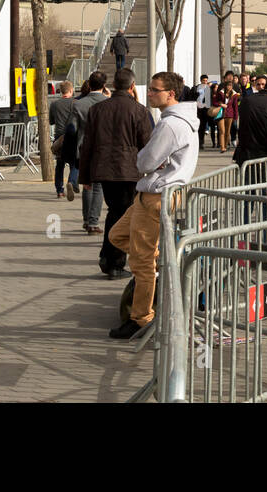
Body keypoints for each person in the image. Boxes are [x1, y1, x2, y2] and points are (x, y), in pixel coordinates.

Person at [108, 70, 199, 339]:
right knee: (117, 235)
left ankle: (140, 318)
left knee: (141, 262)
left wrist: (145, 159)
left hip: (157, 195)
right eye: (149, 89)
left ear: (171, 93)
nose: (149, 94)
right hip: (152, 193)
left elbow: (145, 162)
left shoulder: (171, 125)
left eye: (155, 90)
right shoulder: (176, 120)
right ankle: (165, 263)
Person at [77, 68, 154, 278]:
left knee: (115, 212)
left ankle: (109, 258)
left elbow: (87, 145)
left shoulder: (98, 110)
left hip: (104, 169)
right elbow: (147, 144)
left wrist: (84, 177)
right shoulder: (139, 110)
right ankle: (113, 262)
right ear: (132, 86)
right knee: (123, 215)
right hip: (129, 171)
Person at [73, 71, 110, 234]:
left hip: (83, 147)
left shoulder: (78, 104)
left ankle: (86, 220)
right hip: (102, 148)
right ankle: (94, 222)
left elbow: (72, 129)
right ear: (104, 85)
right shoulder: (108, 103)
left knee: (87, 184)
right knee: (98, 186)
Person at [48, 80, 79, 199]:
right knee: (74, 163)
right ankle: (72, 182)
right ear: (71, 90)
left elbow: (51, 121)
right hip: (72, 136)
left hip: (59, 137)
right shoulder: (76, 103)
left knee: (59, 165)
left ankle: (59, 190)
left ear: (61, 92)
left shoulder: (54, 104)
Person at [222, 75, 240, 153]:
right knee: (222, 130)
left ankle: (225, 145)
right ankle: (223, 145)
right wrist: (220, 104)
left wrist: (236, 116)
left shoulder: (234, 95)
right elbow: (216, 101)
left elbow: (235, 106)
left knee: (227, 130)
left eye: (230, 86)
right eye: (228, 85)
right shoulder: (221, 93)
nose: (229, 87)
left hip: (230, 114)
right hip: (221, 114)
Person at [195, 74, 212, 148]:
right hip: (197, 109)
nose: (205, 82)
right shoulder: (196, 88)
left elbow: (209, 100)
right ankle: (196, 142)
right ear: (201, 81)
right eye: (203, 80)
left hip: (204, 110)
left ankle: (201, 143)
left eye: (206, 80)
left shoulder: (208, 89)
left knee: (202, 127)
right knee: (197, 127)